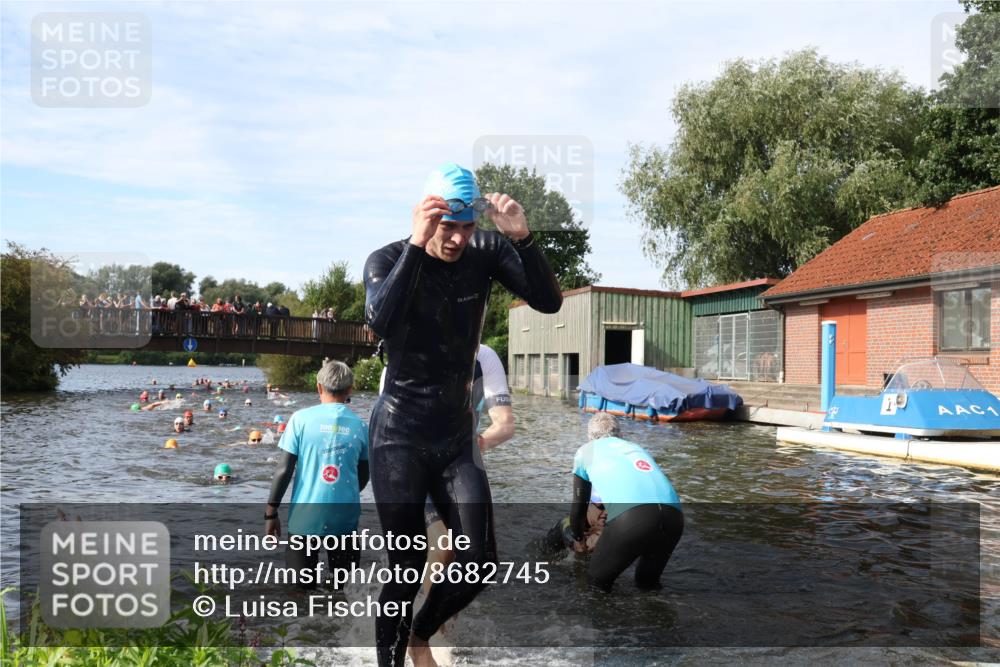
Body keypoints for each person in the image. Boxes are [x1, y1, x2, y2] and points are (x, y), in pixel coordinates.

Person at [364, 162, 562, 667]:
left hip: (455, 435)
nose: (455, 240)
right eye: (446, 227)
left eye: (465, 227)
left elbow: (548, 301)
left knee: (479, 562)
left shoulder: (485, 252)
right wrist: (416, 244)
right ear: (427, 216)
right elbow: (381, 321)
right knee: (407, 564)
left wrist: (522, 238)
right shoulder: (387, 258)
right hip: (399, 435)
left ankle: (420, 635)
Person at [420, 343, 514, 601]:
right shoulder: (409, 350)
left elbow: (505, 425)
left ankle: (437, 622)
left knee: (477, 560)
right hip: (417, 462)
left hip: (462, 460)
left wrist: (475, 442)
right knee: (443, 546)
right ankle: (430, 634)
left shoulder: (484, 356)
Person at [265, 360, 370, 591]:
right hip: (345, 519)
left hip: (305, 517)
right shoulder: (361, 427)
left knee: (299, 595)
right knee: (344, 592)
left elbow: (283, 470)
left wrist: (270, 513)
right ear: (350, 389)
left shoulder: (300, 419)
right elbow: (363, 477)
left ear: (319, 387)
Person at [568, 413, 684, 592]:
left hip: (634, 517)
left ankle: (607, 620)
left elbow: (578, 508)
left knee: (595, 586)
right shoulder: (635, 447)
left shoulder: (587, 451)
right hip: (674, 516)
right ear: (620, 434)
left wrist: (578, 538)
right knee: (647, 585)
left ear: (589, 436)